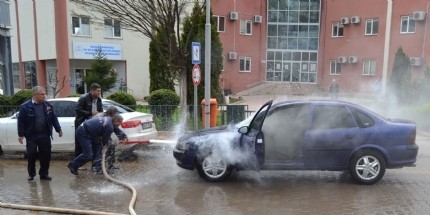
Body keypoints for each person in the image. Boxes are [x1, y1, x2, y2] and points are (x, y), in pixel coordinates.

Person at [17, 86, 63, 181]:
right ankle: (31, 174)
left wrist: (59, 129)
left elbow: (54, 118)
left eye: (44, 94)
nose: (44, 96)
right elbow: (21, 121)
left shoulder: (47, 105)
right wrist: (20, 134)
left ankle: (44, 174)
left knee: (46, 155)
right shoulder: (25, 107)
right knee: (31, 154)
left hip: (45, 134)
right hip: (31, 135)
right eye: (42, 94)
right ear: (35, 95)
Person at [91, 106, 128, 174]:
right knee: (98, 149)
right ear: (111, 113)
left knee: (111, 146)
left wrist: (123, 136)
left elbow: (115, 128)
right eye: (115, 113)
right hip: (95, 134)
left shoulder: (111, 118)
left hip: (103, 134)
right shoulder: (100, 116)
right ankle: (96, 167)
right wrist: (105, 141)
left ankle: (111, 165)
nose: (116, 115)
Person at [74, 83, 102, 158]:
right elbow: (78, 109)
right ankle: (78, 161)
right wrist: (90, 113)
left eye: (100, 91)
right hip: (82, 122)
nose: (99, 93)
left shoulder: (99, 99)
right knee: (79, 142)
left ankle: (91, 159)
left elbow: (100, 110)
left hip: (93, 123)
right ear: (92, 91)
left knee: (93, 141)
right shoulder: (83, 98)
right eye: (98, 91)